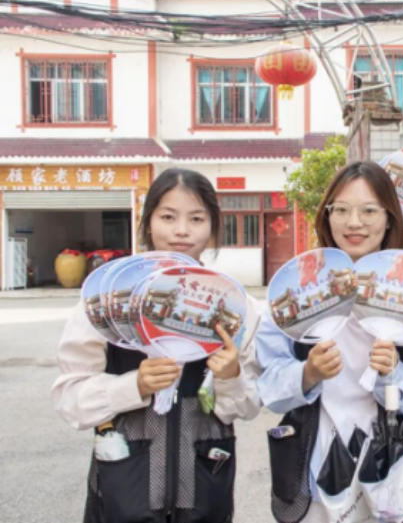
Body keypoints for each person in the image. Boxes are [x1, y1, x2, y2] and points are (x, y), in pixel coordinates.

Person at [53, 168, 262, 523]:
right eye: (168, 217)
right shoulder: (107, 298)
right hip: (124, 494)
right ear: (148, 222)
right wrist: (132, 386)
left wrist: (231, 376)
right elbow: (70, 399)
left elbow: (247, 406)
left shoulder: (237, 307)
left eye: (196, 219)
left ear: (212, 227)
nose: (181, 230)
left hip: (205, 494)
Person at [257, 161, 403, 522]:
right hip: (313, 474)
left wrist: (393, 375)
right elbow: (268, 386)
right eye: (341, 210)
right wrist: (308, 373)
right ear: (327, 216)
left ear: (390, 218)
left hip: (392, 473)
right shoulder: (297, 288)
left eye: (369, 211)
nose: (354, 222)